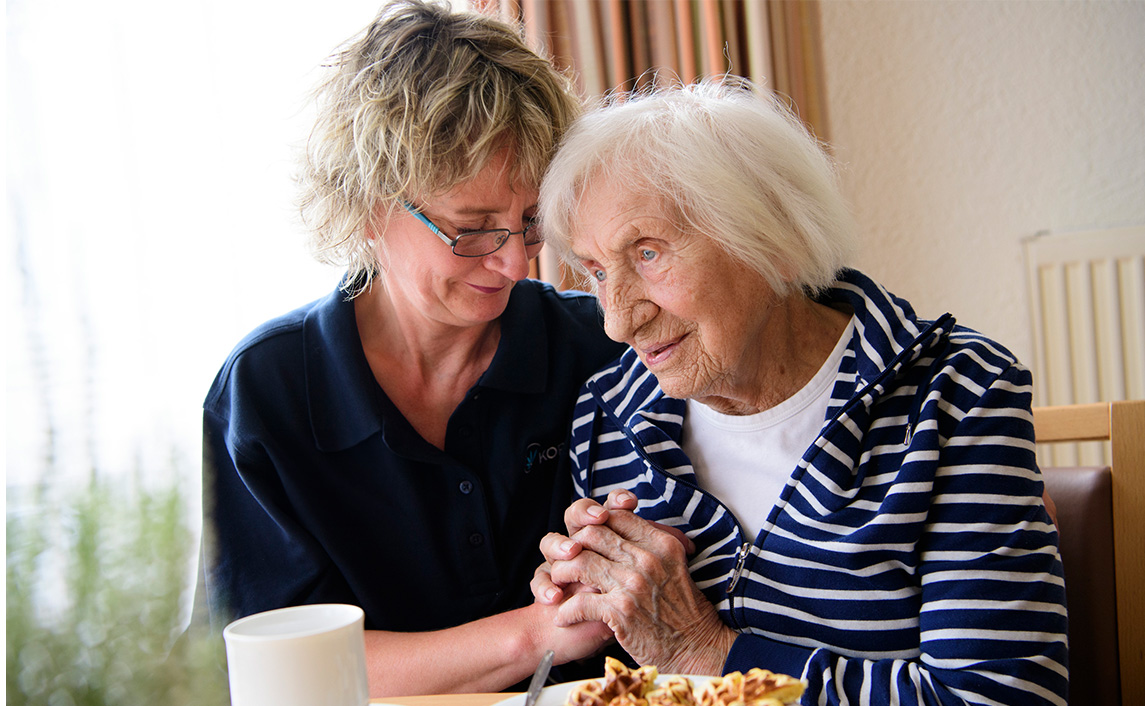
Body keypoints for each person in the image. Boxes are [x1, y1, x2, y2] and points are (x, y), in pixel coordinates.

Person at [530, 78, 1068, 705]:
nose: (617, 321)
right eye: (596, 271)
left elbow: (998, 698)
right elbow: (625, 685)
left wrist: (704, 651)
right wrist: (590, 591)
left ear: (773, 238)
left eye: (647, 253)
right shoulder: (611, 413)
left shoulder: (954, 399)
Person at [200, 0, 625, 696]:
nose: (515, 265)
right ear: (368, 205)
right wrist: (533, 633)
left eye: (530, 223)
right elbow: (285, 664)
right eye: (472, 228)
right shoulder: (267, 392)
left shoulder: (598, 350)